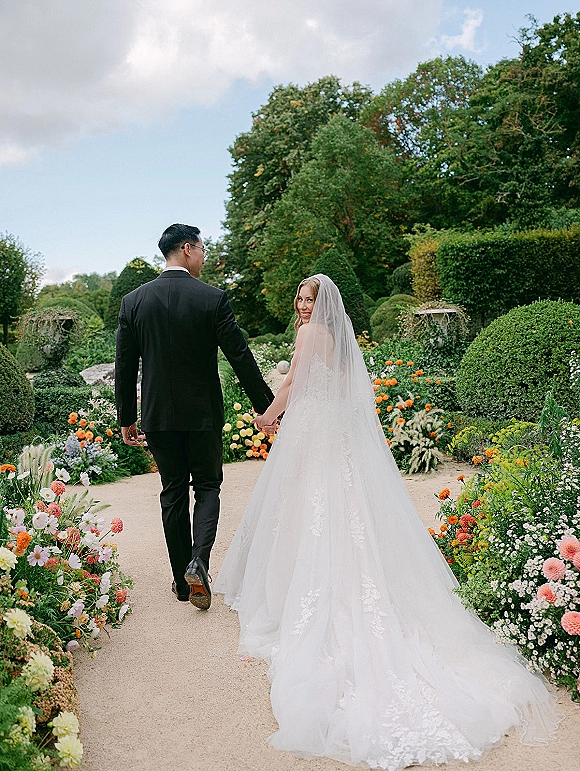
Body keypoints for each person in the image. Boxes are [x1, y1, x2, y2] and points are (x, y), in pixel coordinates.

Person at [215, 274, 562, 769]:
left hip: (313, 432)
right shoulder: (338, 335)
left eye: (307, 299)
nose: (301, 306)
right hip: (335, 432)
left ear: (321, 305)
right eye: (299, 298)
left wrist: (267, 416)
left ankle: (298, 595)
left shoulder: (310, 335)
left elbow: (293, 383)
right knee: (344, 514)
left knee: (309, 514)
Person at [115, 223, 274, 609]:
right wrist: (265, 404)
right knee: (207, 487)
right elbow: (239, 354)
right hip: (202, 413)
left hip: (157, 416)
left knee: (172, 491)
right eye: (202, 249)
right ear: (187, 249)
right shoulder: (212, 298)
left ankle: (182, 584)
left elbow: (125, 365)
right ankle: (198, 563)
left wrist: (126, 417)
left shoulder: (134, 301)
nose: (204, 256)